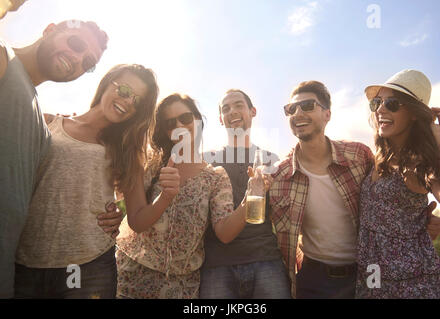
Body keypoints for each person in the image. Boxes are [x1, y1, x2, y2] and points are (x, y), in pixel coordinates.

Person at [268, 80, 440, 299]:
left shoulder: (359, 155)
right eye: (291, 109)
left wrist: (418, 224)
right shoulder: (279, 175)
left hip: (366, 272)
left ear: (327, 114)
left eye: (307, 106)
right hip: (314, 278)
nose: (297, 113)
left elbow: (393, 196)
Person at [13, 64, 159, 299]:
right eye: (124, 90)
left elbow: (137, 217)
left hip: (89, 266)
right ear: (107, 83)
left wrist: (119, 210)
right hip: (27, 259)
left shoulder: (127, 149)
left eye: (137, 101)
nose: (128, 101)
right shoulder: (49, 123)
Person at [0, 19, 109, 299]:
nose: (77, 59)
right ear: (49, 29)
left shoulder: (37, 112)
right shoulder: (3, 60)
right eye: (75, 43)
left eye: (88, 63)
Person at [116, 93, 255, 299]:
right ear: (164, 130)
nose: (180, 125)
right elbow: (136, 222)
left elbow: (225, 233)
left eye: (186, 118)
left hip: (183, 284)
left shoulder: (215, 176)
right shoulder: (148, 164)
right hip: (135, 274)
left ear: (198, 120)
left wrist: (251, 198)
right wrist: (164, 197)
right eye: (170, 123)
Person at [356, 69, 440, 299]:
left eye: (392, 103)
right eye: (377, 102)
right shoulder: (377, 159)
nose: (380, 109)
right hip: (372, 279)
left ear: (414, 113)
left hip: (412, 286)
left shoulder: (419, 164)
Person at [200, 89, 291, 299]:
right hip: (217, 264)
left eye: (239, 105)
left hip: (265, 258)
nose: (232, 111)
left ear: (253, 111)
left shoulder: (270, 159)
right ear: (221, 120)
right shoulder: (207, 161)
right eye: (226, 108)